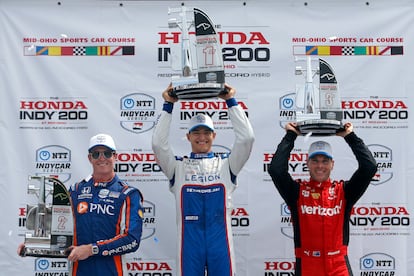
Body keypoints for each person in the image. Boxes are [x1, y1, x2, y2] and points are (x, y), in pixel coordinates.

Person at [152, 84, 255, 276]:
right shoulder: (178, 167)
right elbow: (158, 144)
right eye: (196, 133)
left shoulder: (227, 165)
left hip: (220, 244)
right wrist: (168, 105)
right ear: (188, 136)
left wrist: (231, 101)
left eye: (206, 132)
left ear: (214, 135)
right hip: (190, 245)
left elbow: (247, 139)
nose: (202, 137)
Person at [18, 133, 144, 276]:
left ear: (115, 156)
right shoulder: (76, 190)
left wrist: (91, 249)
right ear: (90, 158)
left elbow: (132, 240)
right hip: (79, 271)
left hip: (112, 272)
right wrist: (33, 246)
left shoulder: (128, 194)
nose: (102, 158)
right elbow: (61, 230)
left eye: (107, 153)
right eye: (96, 154)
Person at [268, 122, 377, 276]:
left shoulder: (344, 191)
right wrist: (290, 135)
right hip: (307, 266)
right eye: (315, 161)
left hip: (338, 266)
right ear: (307, 164)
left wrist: (349, 136)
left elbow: (369, 167)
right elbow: (276, 170)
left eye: (325, 161)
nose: (320, 166)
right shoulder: (296, 192)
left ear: (332, 164)